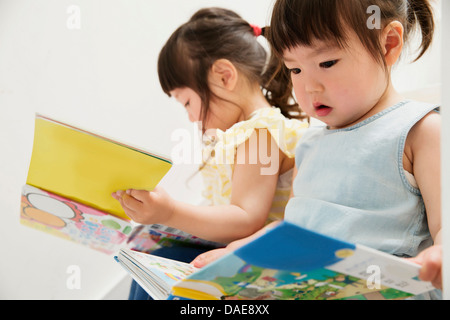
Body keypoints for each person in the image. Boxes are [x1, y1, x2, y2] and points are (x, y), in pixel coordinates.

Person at [193, 0, 443, 298]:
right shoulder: (309, 145)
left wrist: (439, 256)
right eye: (295, 69)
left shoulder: (421, 130)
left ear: (388, 44)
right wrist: (237, 251)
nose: (309, 87)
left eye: (327, 63)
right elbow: (293, 226)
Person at [112, 7, 308, 299]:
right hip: (239, 253)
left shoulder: (259, 133)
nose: (191, 118)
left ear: (224, 76)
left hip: (263, 261)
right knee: (155, 264)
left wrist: (170, 212)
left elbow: (246, 219)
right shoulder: (239, 135)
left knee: (168, 273)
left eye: (188, 102)